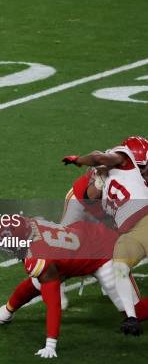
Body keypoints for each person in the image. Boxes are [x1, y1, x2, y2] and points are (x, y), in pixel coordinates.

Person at [0, 217, 148, 358]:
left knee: (136, 313)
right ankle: (6, 312)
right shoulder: (30, 225)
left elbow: (54, 303)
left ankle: (8, 312)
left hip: (105, 252)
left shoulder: (41, 257)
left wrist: (51, 343)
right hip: (81, 242)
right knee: (37, 281)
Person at [62, 136, 148, 335]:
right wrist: (95, 176)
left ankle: (126, 305)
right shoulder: (113, 163)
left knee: (115, 260)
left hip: (115, 216)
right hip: (84, 205)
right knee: (63, 249)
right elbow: (88, 196)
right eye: (141, 166)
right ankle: (53, 283)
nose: (144, 171)